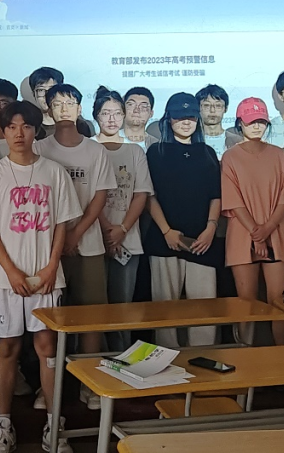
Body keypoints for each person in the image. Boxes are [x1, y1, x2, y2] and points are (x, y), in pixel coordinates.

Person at [0, 101, 80, 453]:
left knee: (47, 348)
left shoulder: (54, 172)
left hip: (47, 277)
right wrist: (10, 270)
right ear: (3, 130)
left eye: (26, 126)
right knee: (7, 348)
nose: (18, 133)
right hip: (4, 279)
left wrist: (52, 266)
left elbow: (61, 224)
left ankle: (54, 424)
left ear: (37, 130)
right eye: (11, 126)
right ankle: (2, 425)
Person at [36, 83, 115, 410]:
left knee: (91, 316)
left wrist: (76, 233)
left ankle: (89, 383)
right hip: (46, 247)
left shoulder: (95, 150)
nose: (64, 109)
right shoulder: (39, 148)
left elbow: (100, 196)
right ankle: (48, 387)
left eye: (70, 103)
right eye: (57, 103)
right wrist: (61, 238)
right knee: (51, 319)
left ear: (80, 109)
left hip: (89, 244)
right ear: (49, 110)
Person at [143, 93, 222, 347]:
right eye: (180, 117)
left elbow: (216, 195)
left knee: (204, 310)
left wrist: (211, 228)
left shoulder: (207, 153)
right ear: (169, 119)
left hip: (203, 241)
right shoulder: (155, 152)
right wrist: (166, 231)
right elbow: (149, 196)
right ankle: (165, 360)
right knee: (165, 309)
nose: (186, 122)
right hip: (164, 240)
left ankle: (204, 358)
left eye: (191, 117)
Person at [222, 97, 284, 345]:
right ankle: (246, 359)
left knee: (280, 304)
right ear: (239, 123)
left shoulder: (280, 155)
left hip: (275, 232)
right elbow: (233, 201)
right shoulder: (230, 157)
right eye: (251, 121)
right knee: (246, 304)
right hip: (243, 234)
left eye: (261, 122)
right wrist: (257, 233)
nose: (257, 126)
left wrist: (266, 230)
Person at [92, 87, 152, 350]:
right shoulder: (88, 147)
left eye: (117, 113)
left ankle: (122, 359)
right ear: (96, 115)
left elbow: (141, 194)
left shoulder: (135, 151)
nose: (112, 119)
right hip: (92, 239)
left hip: (128, 241)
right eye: (105, 113)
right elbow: (87, 196)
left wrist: (122, 229)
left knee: (123, 308)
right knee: (93, 307)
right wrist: (107, 230)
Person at [195, 84, 235, 158]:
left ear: (225, 109)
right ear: (198, 108)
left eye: (218, 106)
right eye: (207, 105)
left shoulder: (237, 141)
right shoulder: (191, 141)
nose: (212, 110)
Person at [28, 67, 64, 132]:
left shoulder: (77, 125)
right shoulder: (29, 126)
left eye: (52, 89)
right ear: (34, 94)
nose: (46, 95)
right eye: (41, 90)